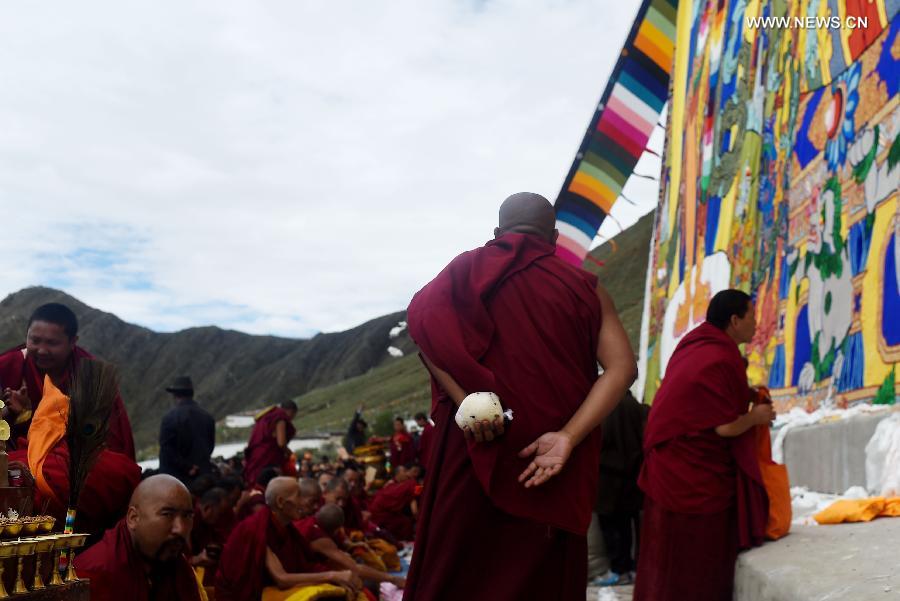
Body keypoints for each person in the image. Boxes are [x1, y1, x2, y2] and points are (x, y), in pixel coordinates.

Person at [404, 192, 637, 600]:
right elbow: (622, 369)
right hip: (547, 471)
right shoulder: (585, 288)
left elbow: (424, 332)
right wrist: (567, 436)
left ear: (498, 233)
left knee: (460, 575)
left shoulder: (463, 273)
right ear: (554, 238)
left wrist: (468, 404)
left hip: (475, 457)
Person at [633, 289, 774, 601]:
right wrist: (757, 416)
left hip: (668, 467)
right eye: (752, 316)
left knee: (663, 559)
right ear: (735, 320)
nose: (756, 323)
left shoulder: (695, 346)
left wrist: (746, 394)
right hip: (693, 477)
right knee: (698, 563)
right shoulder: (721, 356)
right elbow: (723, 426)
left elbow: (701, 401)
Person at [0, 302, 135, 458]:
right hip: (20, 457)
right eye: (35, 341)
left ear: (73, 342)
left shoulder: (93, 377)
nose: (42, 350)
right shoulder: (7, 367)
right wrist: (12, 413)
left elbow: (111, 439)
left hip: (74, 460)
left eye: (52, 343)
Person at [215, 476, 363, 601]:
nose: (302, 501)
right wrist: (332, 575)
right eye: (299, 495)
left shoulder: (287, 529)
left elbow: (305, 566)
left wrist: (339, 574)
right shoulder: (256, 529)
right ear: (280, 502)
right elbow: (281, 579)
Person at [74, 474, 203, 601]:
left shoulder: (175, 561)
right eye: (167, 514)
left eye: (187, 516)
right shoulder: (93, 574)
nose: (180, 529)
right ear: (133, 518)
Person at [593, 390, 649, 587]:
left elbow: (602, 439)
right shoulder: (639, 409)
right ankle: (629, 568)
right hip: (633, 476)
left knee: (609, 526)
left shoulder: (605, 407)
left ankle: (617, 569)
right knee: (627, 526)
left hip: (607, 478)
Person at [297, 503, 406, 591]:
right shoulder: (319, 537)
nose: (341, 502)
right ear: (337, 529)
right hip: (302, 574)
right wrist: (393, 579)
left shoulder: (310, 521)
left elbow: (343, 542)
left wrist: (352, 545)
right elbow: (355, 568)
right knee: (363, 584)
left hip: (309, 564)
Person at [158, 375, 216, 485]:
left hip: (177, 480)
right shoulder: (208, 417)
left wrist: (187, 467)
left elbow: (167, 450)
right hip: (203, 479)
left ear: (175, 395)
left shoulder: (169, 418)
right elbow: (210, 446)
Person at [243, 400, 298, 486]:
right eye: (293, 415)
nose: (292, 419)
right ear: (291, 411)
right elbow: (281, 443)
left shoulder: (267, 416)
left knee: (255, 482)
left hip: (256, 454)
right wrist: (290, 453)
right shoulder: (280, 417)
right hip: (267, 456)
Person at [368, 466, 419, 541]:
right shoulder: (409, 484)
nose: (407, 474)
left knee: (405, 521)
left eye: (417, 472)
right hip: (380, 513)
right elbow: (414, 510)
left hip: (385, 512)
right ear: (397, 473)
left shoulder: (405, 484)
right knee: (406, 523)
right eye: (405, 471)